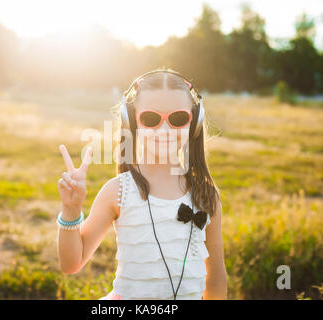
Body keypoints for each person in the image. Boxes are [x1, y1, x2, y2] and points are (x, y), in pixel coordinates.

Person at [57, 68, 227, 300]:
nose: (164, 130)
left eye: (178, 119)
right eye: (151, 119)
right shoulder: (118, 192)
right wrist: (71, 209)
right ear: (132, 122)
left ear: (194, 122)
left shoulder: (206, 195)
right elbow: (71, 264)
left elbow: (215, 278)